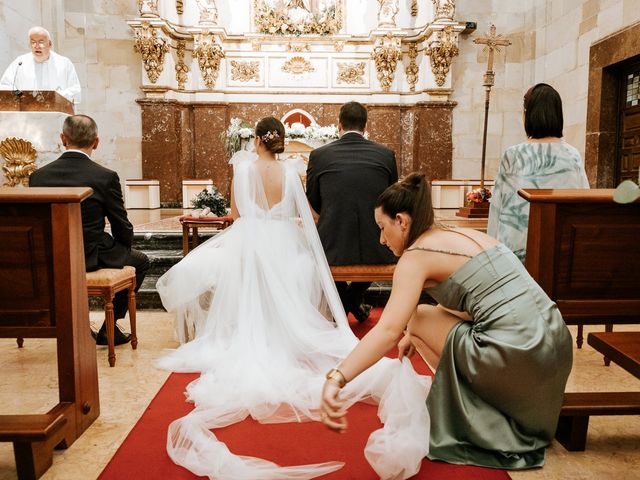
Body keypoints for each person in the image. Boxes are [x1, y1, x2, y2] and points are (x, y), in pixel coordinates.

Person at [155, 116, 431, 479]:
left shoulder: (242, 171)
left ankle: (254, 334)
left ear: (256, 140)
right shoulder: (290, 173)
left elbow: (236, 215)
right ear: (282, 141)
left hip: (250, 242)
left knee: (238, 282)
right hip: (286, 242)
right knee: (293, 280)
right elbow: (308, 215)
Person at [320, 173, 573, 470]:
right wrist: (412, 336)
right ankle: (477, 400)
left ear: (401, 220)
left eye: (382, 227)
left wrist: (337, 378)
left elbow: (388, 330)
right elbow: (477, 304)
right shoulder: (465, 235)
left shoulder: (416, 256)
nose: (381, 239)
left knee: (417, 317)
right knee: (417, 323)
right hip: (555, 343)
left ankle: (472, 412)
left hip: (519, 353)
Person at [29, 115, 148, 345]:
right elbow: (121, 224)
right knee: (140, 261)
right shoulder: (104, 177)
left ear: (63, 139)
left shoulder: (38, 177)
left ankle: (74, 323)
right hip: (91, 256)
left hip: (52, 256)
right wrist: (124, 248)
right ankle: (109, 327)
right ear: (96, 142)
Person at [306, 101, 397, 323]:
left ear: (339, 125)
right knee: (377, 249)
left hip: (332, 246)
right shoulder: (386, 155)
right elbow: (392, 199)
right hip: (378, 245)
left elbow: (314, 202)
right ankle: (353, 303)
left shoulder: (319, 156)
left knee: (317, 253)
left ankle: (343, 307)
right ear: (365, 127)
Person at [488, 83, 589, 262]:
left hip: (517, 252)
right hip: (560, 247)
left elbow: (497, 207)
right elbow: (583, 202)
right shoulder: (572, 155)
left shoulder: (514, 155)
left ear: (528, 114)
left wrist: (492, 251)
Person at [0, 26, 81, 104]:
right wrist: (22, 96)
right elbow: (5, 86)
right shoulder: (20, 63)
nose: (37, 46)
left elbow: (75, 91)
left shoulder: (64, 63)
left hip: (57, 114)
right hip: (27, 113)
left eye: (41, 42)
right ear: (29, 45)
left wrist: (54, 97)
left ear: (50, 44)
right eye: (33, 42)